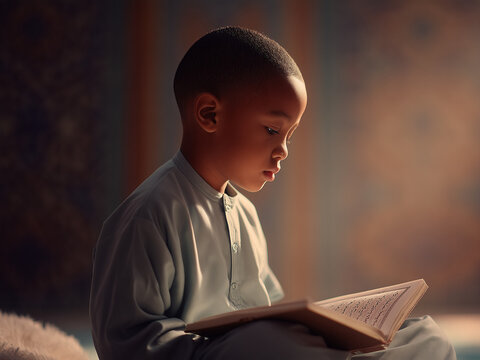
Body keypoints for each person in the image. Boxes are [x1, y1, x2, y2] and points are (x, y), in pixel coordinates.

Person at [90, 26, 456, 359]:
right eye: (271, 130)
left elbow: (271, 307)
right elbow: (126, 343)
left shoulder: (244, 214)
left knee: (426, 336)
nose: (283, 151)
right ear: (209, 115)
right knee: (268, 344)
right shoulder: (149, 214)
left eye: (289, 136)